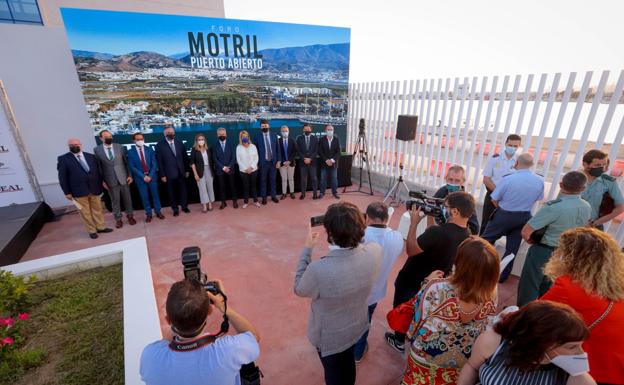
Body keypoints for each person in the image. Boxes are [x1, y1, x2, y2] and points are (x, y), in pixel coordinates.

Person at [294, 202, 381, 385]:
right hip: (357, 326)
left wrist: (307, 248)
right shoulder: (374, 251)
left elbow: (299, 288)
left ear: (330, 233)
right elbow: (364, 244)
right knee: (348, 366)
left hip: (329, 337)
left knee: (333, 373)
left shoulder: (319, 269)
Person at [400, 236, 499, 384]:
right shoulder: (492, 295)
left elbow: (415, 325)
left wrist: (426, 283)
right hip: (462, 363)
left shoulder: (437, 287)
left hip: (425, 359)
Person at [385, 191, 474, 352]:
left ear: (455, 212)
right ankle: (414, 339)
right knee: (421, 313)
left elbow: (411, 250)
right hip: (432, 285)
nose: (443, 209)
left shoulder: (438, 233)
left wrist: (413, 223)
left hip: (411, 280)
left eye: (445, 207)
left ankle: (398, 340)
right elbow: (432, 237)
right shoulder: (468, 236)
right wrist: (430, 216)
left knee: (403, 310)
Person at [542, 228, 624, 385]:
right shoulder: (616, 286)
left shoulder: (568, 286)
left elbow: (530, 318)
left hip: (590, 370)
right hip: (616, 368)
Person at [140, 279, 260, 385]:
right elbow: (253, 337)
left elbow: (166, 341)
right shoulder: (229, 351)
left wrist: (179, 315)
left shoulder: (150, 356)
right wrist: (224, 307)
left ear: (168, 320)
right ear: (210, 311)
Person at [458, 301, 596, 385]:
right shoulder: (494, 343)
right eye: (572, 347)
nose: (581, 353)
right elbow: (472, 367)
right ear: (542, 343)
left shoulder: (569, 374)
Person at [517, 171, 591, 306]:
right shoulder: (586, 207)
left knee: (530, 285)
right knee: (550, 287)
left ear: (561, 185)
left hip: (544, 251)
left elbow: (526, 232)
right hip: (567, 253)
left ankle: (523, 314)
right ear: (583, 188)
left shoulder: (554, 207)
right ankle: (541, 314)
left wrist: (532, 241)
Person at [353, 201, 404, 363]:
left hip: (355, 291)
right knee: (365, 322)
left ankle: (352, 351)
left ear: (367, 217)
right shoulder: (396, 237)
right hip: (375, 292)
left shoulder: (359, 236)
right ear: (387, 218)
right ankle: (357, 352)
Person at [481, 153, 544, 282]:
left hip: (504, 215)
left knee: (484, 242)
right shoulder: (539, 180)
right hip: (524, 217)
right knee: (512, 249)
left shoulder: (509, 178)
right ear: (531, 165)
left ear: (516, 163)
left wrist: (503, 207)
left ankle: (477, 269)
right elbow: (539, 198)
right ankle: (501, 277)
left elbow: (494, 199)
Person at [57, 138, 113, 239]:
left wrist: (102, 183)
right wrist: (67, 192)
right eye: (72, 145)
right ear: (69, 147)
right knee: (85, 212)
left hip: (94, 188)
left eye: (77, 144)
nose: (75, 146)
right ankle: (92, 231)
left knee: (97, 209)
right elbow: (62, 177)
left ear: (81, 145)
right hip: (78, 191)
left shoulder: (91, 157)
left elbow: (98, 172)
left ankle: (101, 227)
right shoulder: (63, 159)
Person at [480, 134, 521, 235]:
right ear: (506, 143)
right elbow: (486, 179)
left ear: (519, 146)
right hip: (492, 194)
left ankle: (492, 246)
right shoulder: (495, 158)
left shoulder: (519, 161)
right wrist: (499, 192)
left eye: (515, 146)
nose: (512, 148)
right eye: (510, 145)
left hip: (508, 198)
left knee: (502, 224)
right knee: (486, 222)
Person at [93, 130, 135, 228]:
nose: (109, 138)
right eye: (106, 137)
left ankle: (130, 216)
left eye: (110, 136)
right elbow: (99, 167)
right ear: (101, 138)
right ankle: (118, 219)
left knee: (127, 200)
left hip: (123, 178)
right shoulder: (97, 150)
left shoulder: (119, 147)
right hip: (110, 180)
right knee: (115, 201)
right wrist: (102, 181)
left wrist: (129, 175)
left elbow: (126, 162)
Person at [428, 165, 479, 235]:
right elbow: (431, 204)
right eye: (450, 179)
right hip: (440, 231)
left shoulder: (466, 200)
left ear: (463, 182)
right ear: (446, 179)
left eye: (457, 181)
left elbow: (474, 229)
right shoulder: (442, 191)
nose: (453, 184)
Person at [580, 149, 624, 230]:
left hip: (594, 227)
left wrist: (595, 223)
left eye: (604, 165)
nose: (602, 168)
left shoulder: (609, 182)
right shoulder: (574, 178)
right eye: (597, 165)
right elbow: (562, 201)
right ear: (585, 164)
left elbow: (620, 207)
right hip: (571, 224)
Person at [127, 133, 165, 222]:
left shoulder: (149, 150)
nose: (140, 141)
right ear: (134, 141)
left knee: (155, 196)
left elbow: (154, 164)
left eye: (141, 139)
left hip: (152, 177)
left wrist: (150, 175)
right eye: (138, 139)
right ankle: (148, 214)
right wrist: (143, 176)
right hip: (140, 179)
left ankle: (158, 212)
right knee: (145, 197)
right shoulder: (130, 152)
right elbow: (132, 167)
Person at [155, 127, 190, 216]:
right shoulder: (159, 145)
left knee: (183, 191)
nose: (171, 134)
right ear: (165, 134)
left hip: (181, 172)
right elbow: (159, 161)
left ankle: (184, 206)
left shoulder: (179, 142)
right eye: (168, 132)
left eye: (172, 132)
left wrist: (186, 170)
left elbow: (185, 157)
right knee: (171, 193)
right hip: (168, 174)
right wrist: (162, 175)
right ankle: (175, 209)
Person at [211, 128, 239, 209]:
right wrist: (223, 167)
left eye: (223, 134)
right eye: (220, 134)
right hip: (220, 170)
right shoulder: (214, 145)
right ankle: (223, 202)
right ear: (217, 135)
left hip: (231, 169)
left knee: (232, 186)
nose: (222, 136)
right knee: (221, 187)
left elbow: (233, 157)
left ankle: (234, 201)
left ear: (226, 135)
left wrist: (228, 166)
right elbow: (214, 158)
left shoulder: (231, 144)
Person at [255, 119, 279, 204]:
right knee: (263, 181)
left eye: (265, 126)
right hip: (263, 163)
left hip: (273, 163)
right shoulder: (257, 137)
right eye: (262, 126)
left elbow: (277, 149)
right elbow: (256, 151)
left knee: (273, 180)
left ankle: (273, 196)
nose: (264, 127)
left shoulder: (274, 135)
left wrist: (278, 161)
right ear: (260, 127)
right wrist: (257, 163)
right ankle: (264, 198)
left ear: (268, 126)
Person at [189, 133, 215, 213]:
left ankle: (210, 203)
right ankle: (204, 205)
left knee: (210, 188)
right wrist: (195, 174)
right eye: (199, 140)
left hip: (209, 170)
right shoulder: (194, 150)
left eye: (202, 139)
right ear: (196, 141)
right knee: (202, 189)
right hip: (199, 171)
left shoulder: (208, 149)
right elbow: (192, 162)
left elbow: (212, 161)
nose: (201, 141)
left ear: (204, 140)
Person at [236, 131, 261, 208]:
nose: (245, 137)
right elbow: (238, 160)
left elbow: (256, 157)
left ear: (248, 137)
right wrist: (246, 169)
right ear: (241, 138)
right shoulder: (238, 147)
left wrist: (252, 167)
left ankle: (256, 201)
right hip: (243, 171)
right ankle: (246, 202)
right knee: (246, 186)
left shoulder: (253, 146)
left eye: (246, 136)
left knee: (253, 186)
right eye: (243, 136)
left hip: (253, 170)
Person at [296, 123, 319, 200]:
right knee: (303, 179)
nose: (307, 130)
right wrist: (304, 158)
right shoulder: (299, 138)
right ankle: (303, 194)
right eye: (305, 129)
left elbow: (316, 150)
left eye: (308, 129)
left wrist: (310, 159)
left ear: (311, 129)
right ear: (303, 130)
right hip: (303, 162)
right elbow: (298, 150)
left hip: (312, 162)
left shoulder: (315, 138)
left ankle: (315, 194)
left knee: (314, 179)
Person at [318, 125, 341, 199]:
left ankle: (335, 192)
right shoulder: (321, 140)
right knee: (323, 179)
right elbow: (320, 151)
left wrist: (332, 160)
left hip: (333, 164)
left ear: (333, 131)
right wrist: (326, 160)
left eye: (331, 129)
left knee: (334, 178)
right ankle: (322, 192)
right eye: (328, 129)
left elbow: (338, 152)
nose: (330, 131)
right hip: (324, 163)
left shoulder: (336, 139)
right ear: (325, 130)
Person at [277, 125, 297, 200]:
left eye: (286, 131)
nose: (285, 132)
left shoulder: (292, 140)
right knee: (284, 179)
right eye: (283, 131)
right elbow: (278, 152)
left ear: (288, 132)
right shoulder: (278, 141)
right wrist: (283, 162)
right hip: (282, 164)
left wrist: (289, 161)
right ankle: (284, 193)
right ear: (281, 132)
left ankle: (292, 192)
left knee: (291, 179)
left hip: (291, 163)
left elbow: (295, 152)